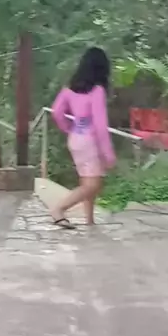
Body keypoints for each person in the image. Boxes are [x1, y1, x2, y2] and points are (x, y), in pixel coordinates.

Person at [50, 46, 116, 228]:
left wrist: (68, 128)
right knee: (93, 185)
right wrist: (108, 154)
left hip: (75, 139)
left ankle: (89, 220)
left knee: (87, 180)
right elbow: (100, 126)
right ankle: (59, 209)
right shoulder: (97, 91)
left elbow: (56, 112)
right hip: (89, 142)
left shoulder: (69, 89)